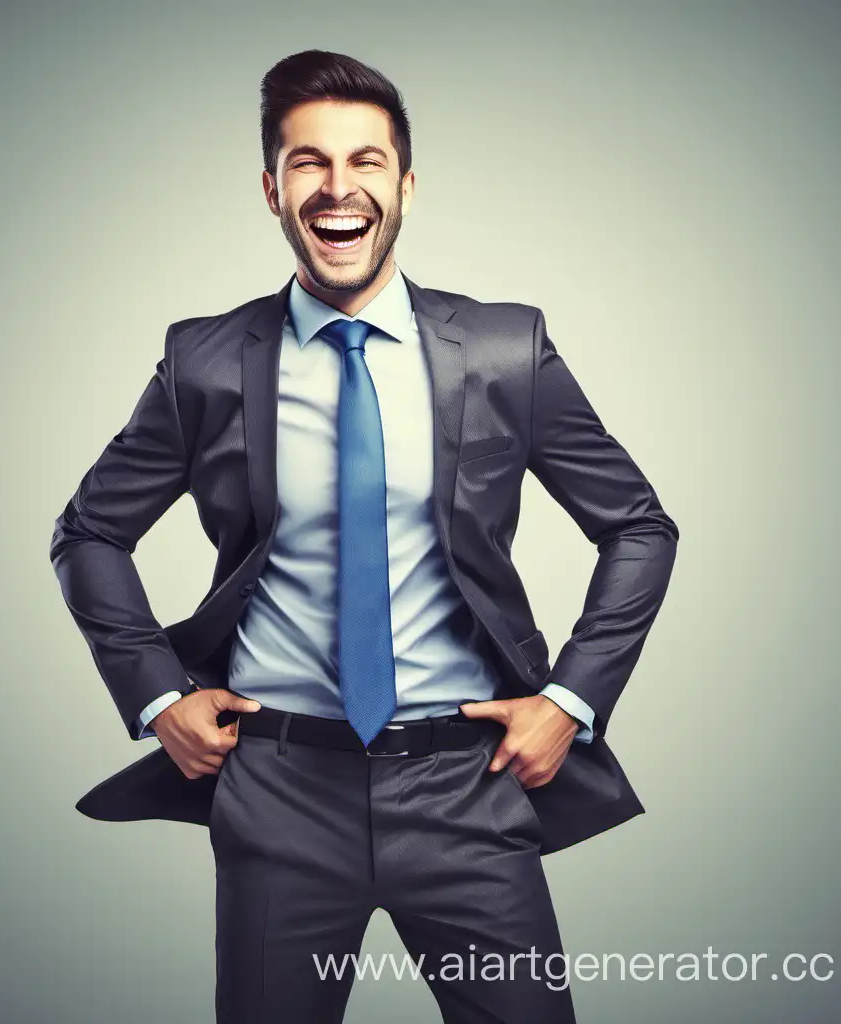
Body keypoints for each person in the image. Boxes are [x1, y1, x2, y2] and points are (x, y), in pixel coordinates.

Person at [49, 48, 679, 1024]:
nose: (338, 188)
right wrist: (158, 695)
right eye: (308, 162)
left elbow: (636, 524)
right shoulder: (208, 360)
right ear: (272, 188)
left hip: (466, 785)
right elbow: (91, 530)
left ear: (406, 185)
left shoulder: (505, 349)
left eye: (366, 161)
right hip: (278, 789)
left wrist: (568, 698)